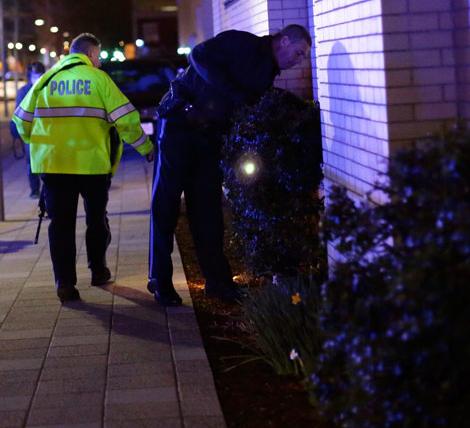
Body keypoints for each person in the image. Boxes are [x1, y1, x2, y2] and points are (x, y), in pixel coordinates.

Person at [150, 24, 311, 306]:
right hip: (178, 124)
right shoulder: (243, 43)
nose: (299, 61)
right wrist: (233, 93)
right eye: (299, 53)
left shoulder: (267, 74)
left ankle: (218, 283)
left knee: (208, 211)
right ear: (284, 40)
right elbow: (198, 55)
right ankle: (159, 280)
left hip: (209, 137)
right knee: (166, 205)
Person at [12, 33, 154, 302]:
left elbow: (20, 120)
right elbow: (126, 120)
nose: (99, 62)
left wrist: (39, 142)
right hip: (92, 165)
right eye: (98, 57)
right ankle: (98, 271)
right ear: (90, 54)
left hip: (54, 166)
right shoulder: (99, 80)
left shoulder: (47, 79)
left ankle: (65, 284)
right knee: (96, 220)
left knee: (61, 225)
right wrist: (146, 148)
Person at [9, 61, 45, 199]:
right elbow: (19, 113)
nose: (37, 79)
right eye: (35, 76)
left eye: (39, 75)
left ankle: (46, 189)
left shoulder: (47, 89)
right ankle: (35, 189)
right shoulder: (23, 91)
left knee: (46, 163)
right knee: (31, 163)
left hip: (46, 132)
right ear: (30, 77)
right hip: (30, 133)